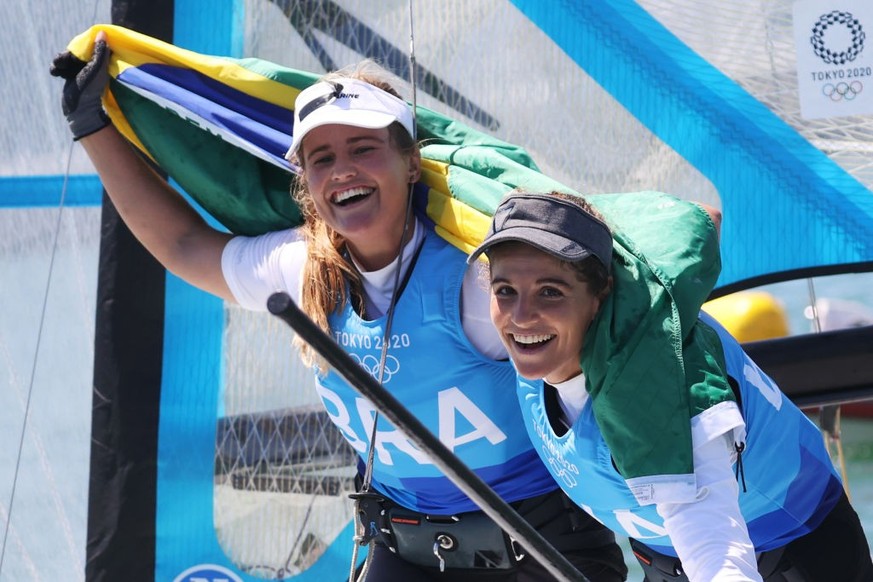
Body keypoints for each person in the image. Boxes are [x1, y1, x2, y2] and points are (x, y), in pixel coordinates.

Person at [50, 33, 629, 581]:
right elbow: (183, 246)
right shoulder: (301, 268)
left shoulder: (482, 279)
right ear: (305, 182)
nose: (343, 170)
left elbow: (605, 335)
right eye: (322, 158)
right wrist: (91, 126)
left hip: (541, 549)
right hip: (405, 551)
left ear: (410, 162)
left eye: (363, 148)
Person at [469, 190, 873, 581]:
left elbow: (716, 550)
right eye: (505, 290)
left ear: (601, 291)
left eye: (550, 292)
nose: (521, 316)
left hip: (786, 557)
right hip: (662, 560)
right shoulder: (536, 352)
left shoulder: (658, 386)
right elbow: (704, 215)